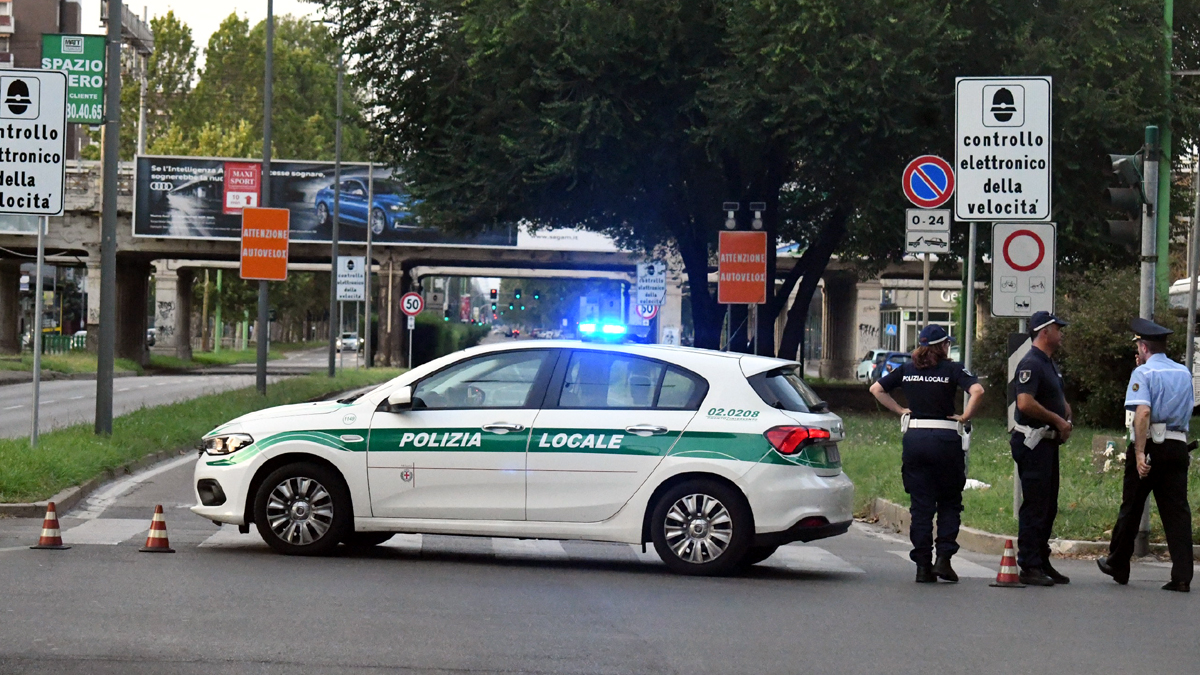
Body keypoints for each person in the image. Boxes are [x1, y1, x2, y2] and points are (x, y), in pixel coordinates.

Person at [870, 324, 985, 583]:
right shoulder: (953, 369)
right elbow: (978, 391)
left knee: (921, 506)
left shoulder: (907, 369)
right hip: (945, 440)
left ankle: (922, 566)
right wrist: (965, 416)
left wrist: (900, 410)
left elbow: (876, 389)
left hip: (916, 439)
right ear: (943, 346)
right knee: (949, 501)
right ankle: (943, 559)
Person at [1097, 318, 1193, 592]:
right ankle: (1182, 574)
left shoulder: (1143, 373)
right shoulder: (1183, 372)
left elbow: (1143, 412)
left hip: (1151, 444)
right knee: (1177, 511)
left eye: (1138, 346)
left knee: (1132, 505)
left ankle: (1118, 563)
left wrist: (1140, 453)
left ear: (1143, 347)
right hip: (1178, 445)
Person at [1010, 311, 1072, 587]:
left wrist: (1065, 412)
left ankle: (1041, 559)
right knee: (1036, 505)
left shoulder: (1048, 363)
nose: (1061, 333)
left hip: (1048, 443)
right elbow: (1024, 402)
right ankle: (1029, 564)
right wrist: (1057, 419)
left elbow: (1055, 395)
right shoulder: (1031, 363)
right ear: (1044, 332)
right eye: (1058, 329)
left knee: (1048, 505)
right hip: (1033, 443)